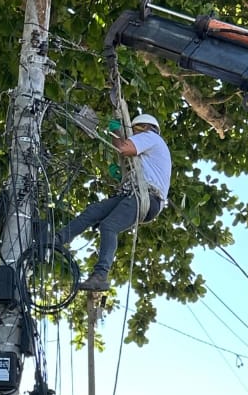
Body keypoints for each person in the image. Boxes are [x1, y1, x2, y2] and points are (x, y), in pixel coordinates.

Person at [57, 113, 172, 292]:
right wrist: (122, 174)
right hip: (134, 193)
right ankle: (57, 239)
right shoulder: (149, 149)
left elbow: (124, 148)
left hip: (147, 197)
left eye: (135, 130)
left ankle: (101, 276)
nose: (134, 134)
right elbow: (132, 164)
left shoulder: (151, 138)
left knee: (109, 226)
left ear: (145, 127)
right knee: (94, 211)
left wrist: (115, 130)